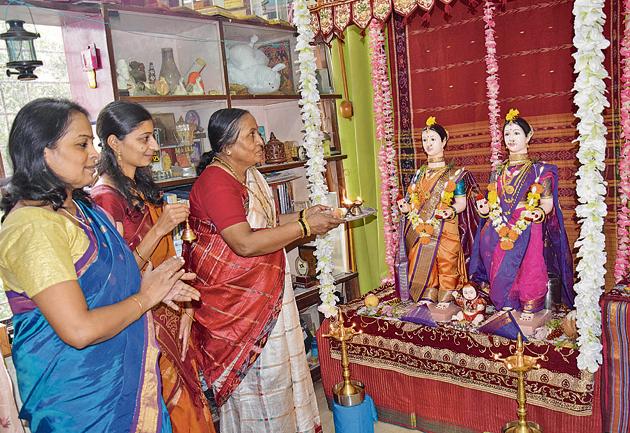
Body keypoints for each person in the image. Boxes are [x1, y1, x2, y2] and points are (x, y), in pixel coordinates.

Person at [0, 98, 199, 433]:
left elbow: (114, 277)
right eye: (81, 144)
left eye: (91, 142)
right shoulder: (33, 227)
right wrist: (144, 298)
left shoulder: (81, 210)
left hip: (123, 378)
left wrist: (154, 286)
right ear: (43, 151)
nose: (94, 154)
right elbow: (79, 331)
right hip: (82, 397)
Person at [185, 108, 343, 433]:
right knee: (258, 385)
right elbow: (244, 243)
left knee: (279, 378)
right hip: (238, 308)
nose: (261, 141)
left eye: (258, 132)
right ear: (228, 147)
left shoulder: (250, 175)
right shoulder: (216, 182)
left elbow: (265, 224)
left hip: (265, 297)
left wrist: (305, 214)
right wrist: (303, 226)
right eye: (252, 135)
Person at [91, 101, 214, 433]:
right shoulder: (106, 199)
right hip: (145, 317)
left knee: (192, 404)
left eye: (153, 137)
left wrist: (187, 307)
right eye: (144, 139)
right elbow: (117, 276)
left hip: (171, 307)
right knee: (169, 409)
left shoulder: (138, 187)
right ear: (115, 143)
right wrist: (160, 229)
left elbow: (169, 256)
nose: (155, 147)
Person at [469, 109, 574, 319]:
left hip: (527, 225)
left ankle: (530, 305)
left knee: (529, 265)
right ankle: (506, 303)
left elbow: (547, 204)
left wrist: (538, 213)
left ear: (528, 135)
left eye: (516, 133)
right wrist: (486, 210)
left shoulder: (540, 171)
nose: (511, 138)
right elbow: (495, 200)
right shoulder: (498, 171)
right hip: (500, 226)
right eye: (507, 134)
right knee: (499, 265)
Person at [395, 116, 479, 306]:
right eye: (425, 140)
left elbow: (461, 203)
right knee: (424, 260)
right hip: (421, 227)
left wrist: (451, 210)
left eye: (433, 139)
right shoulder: (419, 174)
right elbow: (415, 201)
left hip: (446, 226)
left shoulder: (455, 174)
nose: (428, 144)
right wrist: (407, 208)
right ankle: (428, 292)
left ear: (444, 141)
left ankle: (447, 293)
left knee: (446, 260)